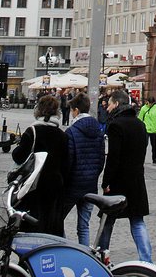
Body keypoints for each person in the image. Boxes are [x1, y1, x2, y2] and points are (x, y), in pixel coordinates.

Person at [97, 89, 152, 263]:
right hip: (136, 179)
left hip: (119, 181)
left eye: (110, 104)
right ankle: (147, 260)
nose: (107, 108)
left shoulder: (115, 125)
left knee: (107, 221)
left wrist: (106, 182)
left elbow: (113, 157)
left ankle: (102, 256)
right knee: (137, 221)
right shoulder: (140, 124)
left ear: (118, 104)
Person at [11, 93, 69, 236]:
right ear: (57, 111)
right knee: (50, 227)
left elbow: (18, 157)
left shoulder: (33, 131)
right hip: (55, 186)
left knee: (32, 225)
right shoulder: (62, 135)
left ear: (39, 110)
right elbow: (66, 164)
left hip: (34, 186)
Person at [63, 91, 105, 246]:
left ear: (76, 111)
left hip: (72, 186)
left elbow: (68, 160)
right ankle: (85, 254)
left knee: (57, 219)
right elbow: (101, 159)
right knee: (84, 226)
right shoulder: (98, 130)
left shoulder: (72, 132)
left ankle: (65, 250)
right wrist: (93, 175)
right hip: (90, 185)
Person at [138, 96, 156, 164]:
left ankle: (154, 159)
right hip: (145, 129)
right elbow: (140, 118)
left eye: (151, 103)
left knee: (154, 145)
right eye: (149, 103)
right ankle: (142, 158)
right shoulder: (143, 108)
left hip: (154, 129)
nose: (150, 105)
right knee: (144, 144)